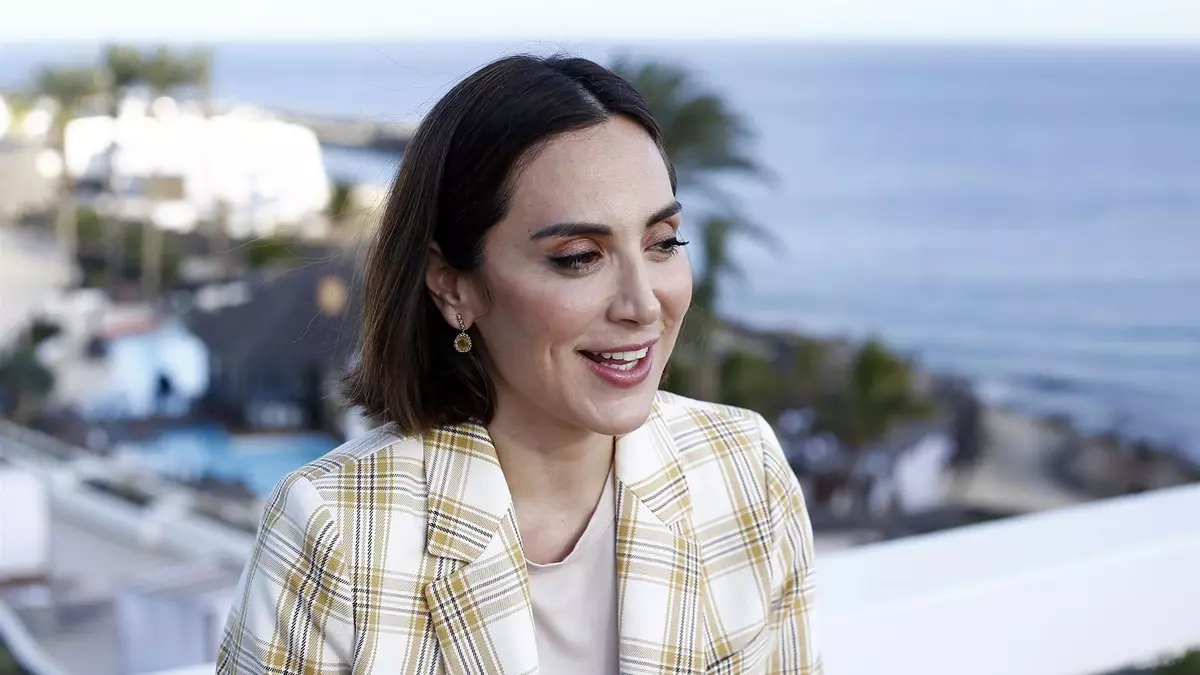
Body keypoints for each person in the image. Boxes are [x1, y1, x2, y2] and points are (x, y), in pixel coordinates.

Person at [217, 53, 821, 675]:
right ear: (453, 286)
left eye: (663, 243)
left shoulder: (743, 470)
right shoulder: (339, 532)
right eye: (579, 256)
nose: (643, 304)